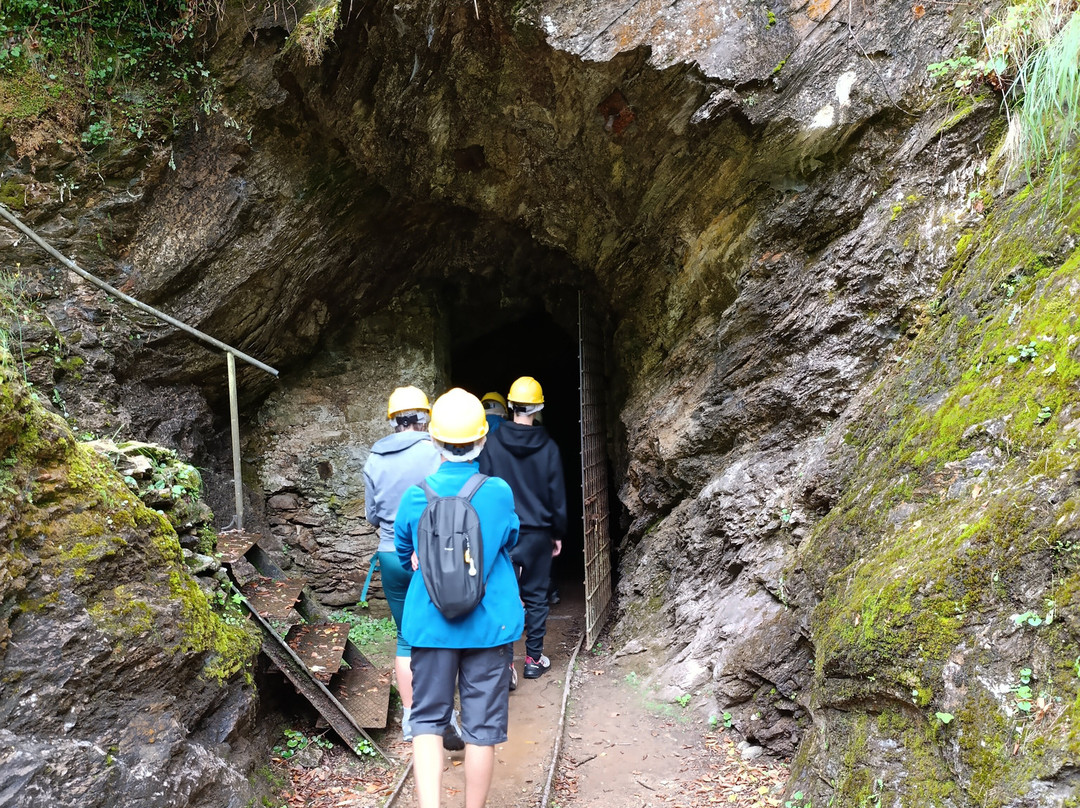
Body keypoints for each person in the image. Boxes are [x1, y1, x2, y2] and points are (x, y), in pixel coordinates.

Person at [395, 388, 524, 808]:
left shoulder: (416, 495)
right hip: (488, 627)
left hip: (431, 626)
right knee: (482, 727)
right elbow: (511, 537)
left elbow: (402, 554)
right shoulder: (499, 491)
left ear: (433, 440)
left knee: (427, 723)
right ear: (483, 439)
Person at [362, 385, 462, 749]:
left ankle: (409, 719)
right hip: (431, 555)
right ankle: (445, 716)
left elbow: (371, 514)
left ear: (393, 420)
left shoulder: (374, 457)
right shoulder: (434, 452)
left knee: (406, 637)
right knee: (441, 632)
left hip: (390, 554)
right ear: (425, 417)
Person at [478, 375, 567, 679]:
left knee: (502, 595)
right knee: (537, 597)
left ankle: (506, 665)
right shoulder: (550, 447)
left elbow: (485, 489)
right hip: (539, 534)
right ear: (539, 407)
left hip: (505, 535)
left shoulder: (491, 445)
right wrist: (557, 533)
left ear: (511, 406)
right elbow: (557, 495)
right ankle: (533, 659)